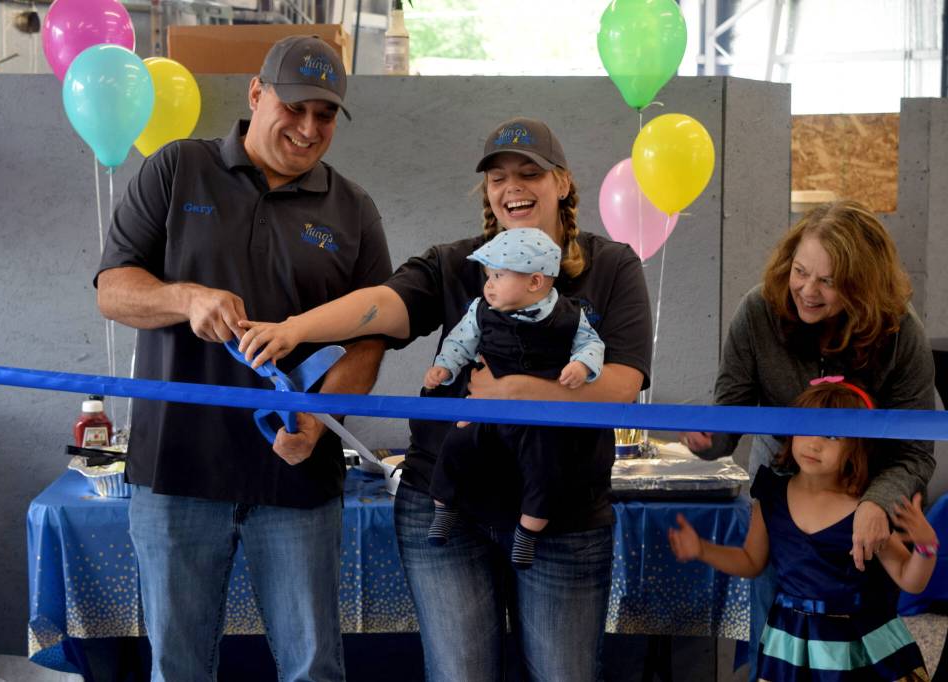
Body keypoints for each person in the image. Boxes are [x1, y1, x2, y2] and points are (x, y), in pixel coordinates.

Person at [238, 116, 652, 680]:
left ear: (563, 183)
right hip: (446, 505)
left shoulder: (612, 266)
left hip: (564, 514)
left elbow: (623, 386)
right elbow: (381, 304)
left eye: (529, 173)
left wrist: (512, 392)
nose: (513, 187)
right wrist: (296, 328)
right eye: (498, 177)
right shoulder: (458, 264)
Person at [94, 36, 392, 682]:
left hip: (298, 477)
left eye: (326, 114)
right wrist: (185, 298)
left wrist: (315, 421)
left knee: (312, 667)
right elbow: (113, 291)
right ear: (256, 94)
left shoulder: (354, 209)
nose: (310, 128)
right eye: (295, 107)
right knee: (179, 669)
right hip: (176, 470)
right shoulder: (177, 170)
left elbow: (370, 340)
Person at [680, 200, 936, 680]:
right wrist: (708, 440)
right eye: (800, 272)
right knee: (776, 632)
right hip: (785, 487)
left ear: (863, 289)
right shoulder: (758, 311)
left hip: (863, 494)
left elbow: (915, 447)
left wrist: (877, 502)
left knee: (866, 629)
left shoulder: (899, 331)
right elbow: (729, 411)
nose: (807, 290)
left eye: (829, 281)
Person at [671, 380, 936, 681]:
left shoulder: (866, 511)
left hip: (857, 647)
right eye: (806, 426)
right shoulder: (771, 496)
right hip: (790, 647)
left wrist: (927, 548)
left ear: (857, 446)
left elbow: (909, 579)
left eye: (832, 435)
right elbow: (751, 561)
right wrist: (702, 549)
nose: (814, 443)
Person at [422, 227, 606, 567]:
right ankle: (444, 508)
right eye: (488, 276)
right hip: (487, 408)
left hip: (539, 416)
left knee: (545, 465)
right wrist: (444, 368)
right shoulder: (480, 311)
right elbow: (458, 342)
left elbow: (592, 345)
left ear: (535, 282)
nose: (488, 284)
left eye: (498, 276)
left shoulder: (569, 315)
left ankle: (528, 530)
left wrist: (582, 366)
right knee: (457, 443)